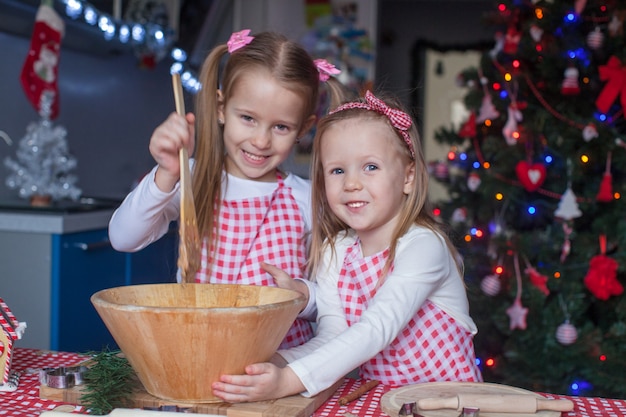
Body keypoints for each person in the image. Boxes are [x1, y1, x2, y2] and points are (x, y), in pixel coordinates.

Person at [211, 91, 483, 402]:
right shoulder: (336, 252)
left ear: (408, 176)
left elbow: (377, 328)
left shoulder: (424, 246)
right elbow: (333, 338)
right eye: (338, 170)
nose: (351, 183)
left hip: (452, 406)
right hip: (385, 404)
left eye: (370, 167)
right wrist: (272, 363)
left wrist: (287, 380)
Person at [108, 30, 346, 349]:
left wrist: (305, 296)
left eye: (281, 127)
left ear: (303, 128)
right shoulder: (192, 177)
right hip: (198, 356)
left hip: (277, 370)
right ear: (221, 107)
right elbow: (123, 238)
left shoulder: (309, 199)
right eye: (247, 118)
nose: (261, 141)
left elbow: (337, 299)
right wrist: (167, 172)